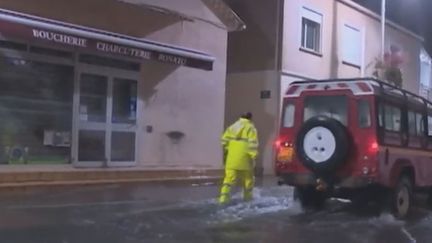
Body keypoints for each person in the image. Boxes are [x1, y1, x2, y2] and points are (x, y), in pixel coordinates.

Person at [218, 112, 259, 204]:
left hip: (231, 159)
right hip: (245, 159)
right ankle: (248, 199)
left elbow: (224, 141)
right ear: (250, 118)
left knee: (228, 180)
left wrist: (229, 149)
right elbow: (252, 144)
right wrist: (254, 155)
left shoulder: (232, 127)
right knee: (248, 180)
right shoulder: (251, 128)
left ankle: (223, 199)